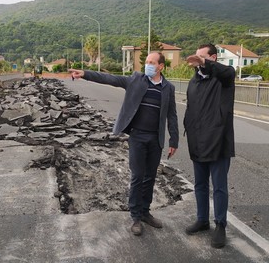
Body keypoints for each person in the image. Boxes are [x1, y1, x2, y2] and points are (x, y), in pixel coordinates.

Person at [69, 52, 179, 236]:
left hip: (155, 139)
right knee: (137, 176)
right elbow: (110, 78)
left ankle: (145, 212)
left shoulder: (168, 88)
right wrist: (86, 74)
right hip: (137, 137)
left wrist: (173, 140)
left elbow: (172, 115)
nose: (147, 65)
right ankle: (135, 216)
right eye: (146, 62)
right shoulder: (135, 80)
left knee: (150, 177)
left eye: (152, 62)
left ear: (161, 66)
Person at [184, 43, 235, 248]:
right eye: (195, 58)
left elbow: (227, 72)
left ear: (213, 58)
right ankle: (202, 219)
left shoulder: (224, 78)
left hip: (218, 141)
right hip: (197, 141)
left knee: (219, 186)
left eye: (202, 58)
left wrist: (205, 63)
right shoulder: (194, 81)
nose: (197, 61)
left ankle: (220, 225)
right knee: (200, 185)